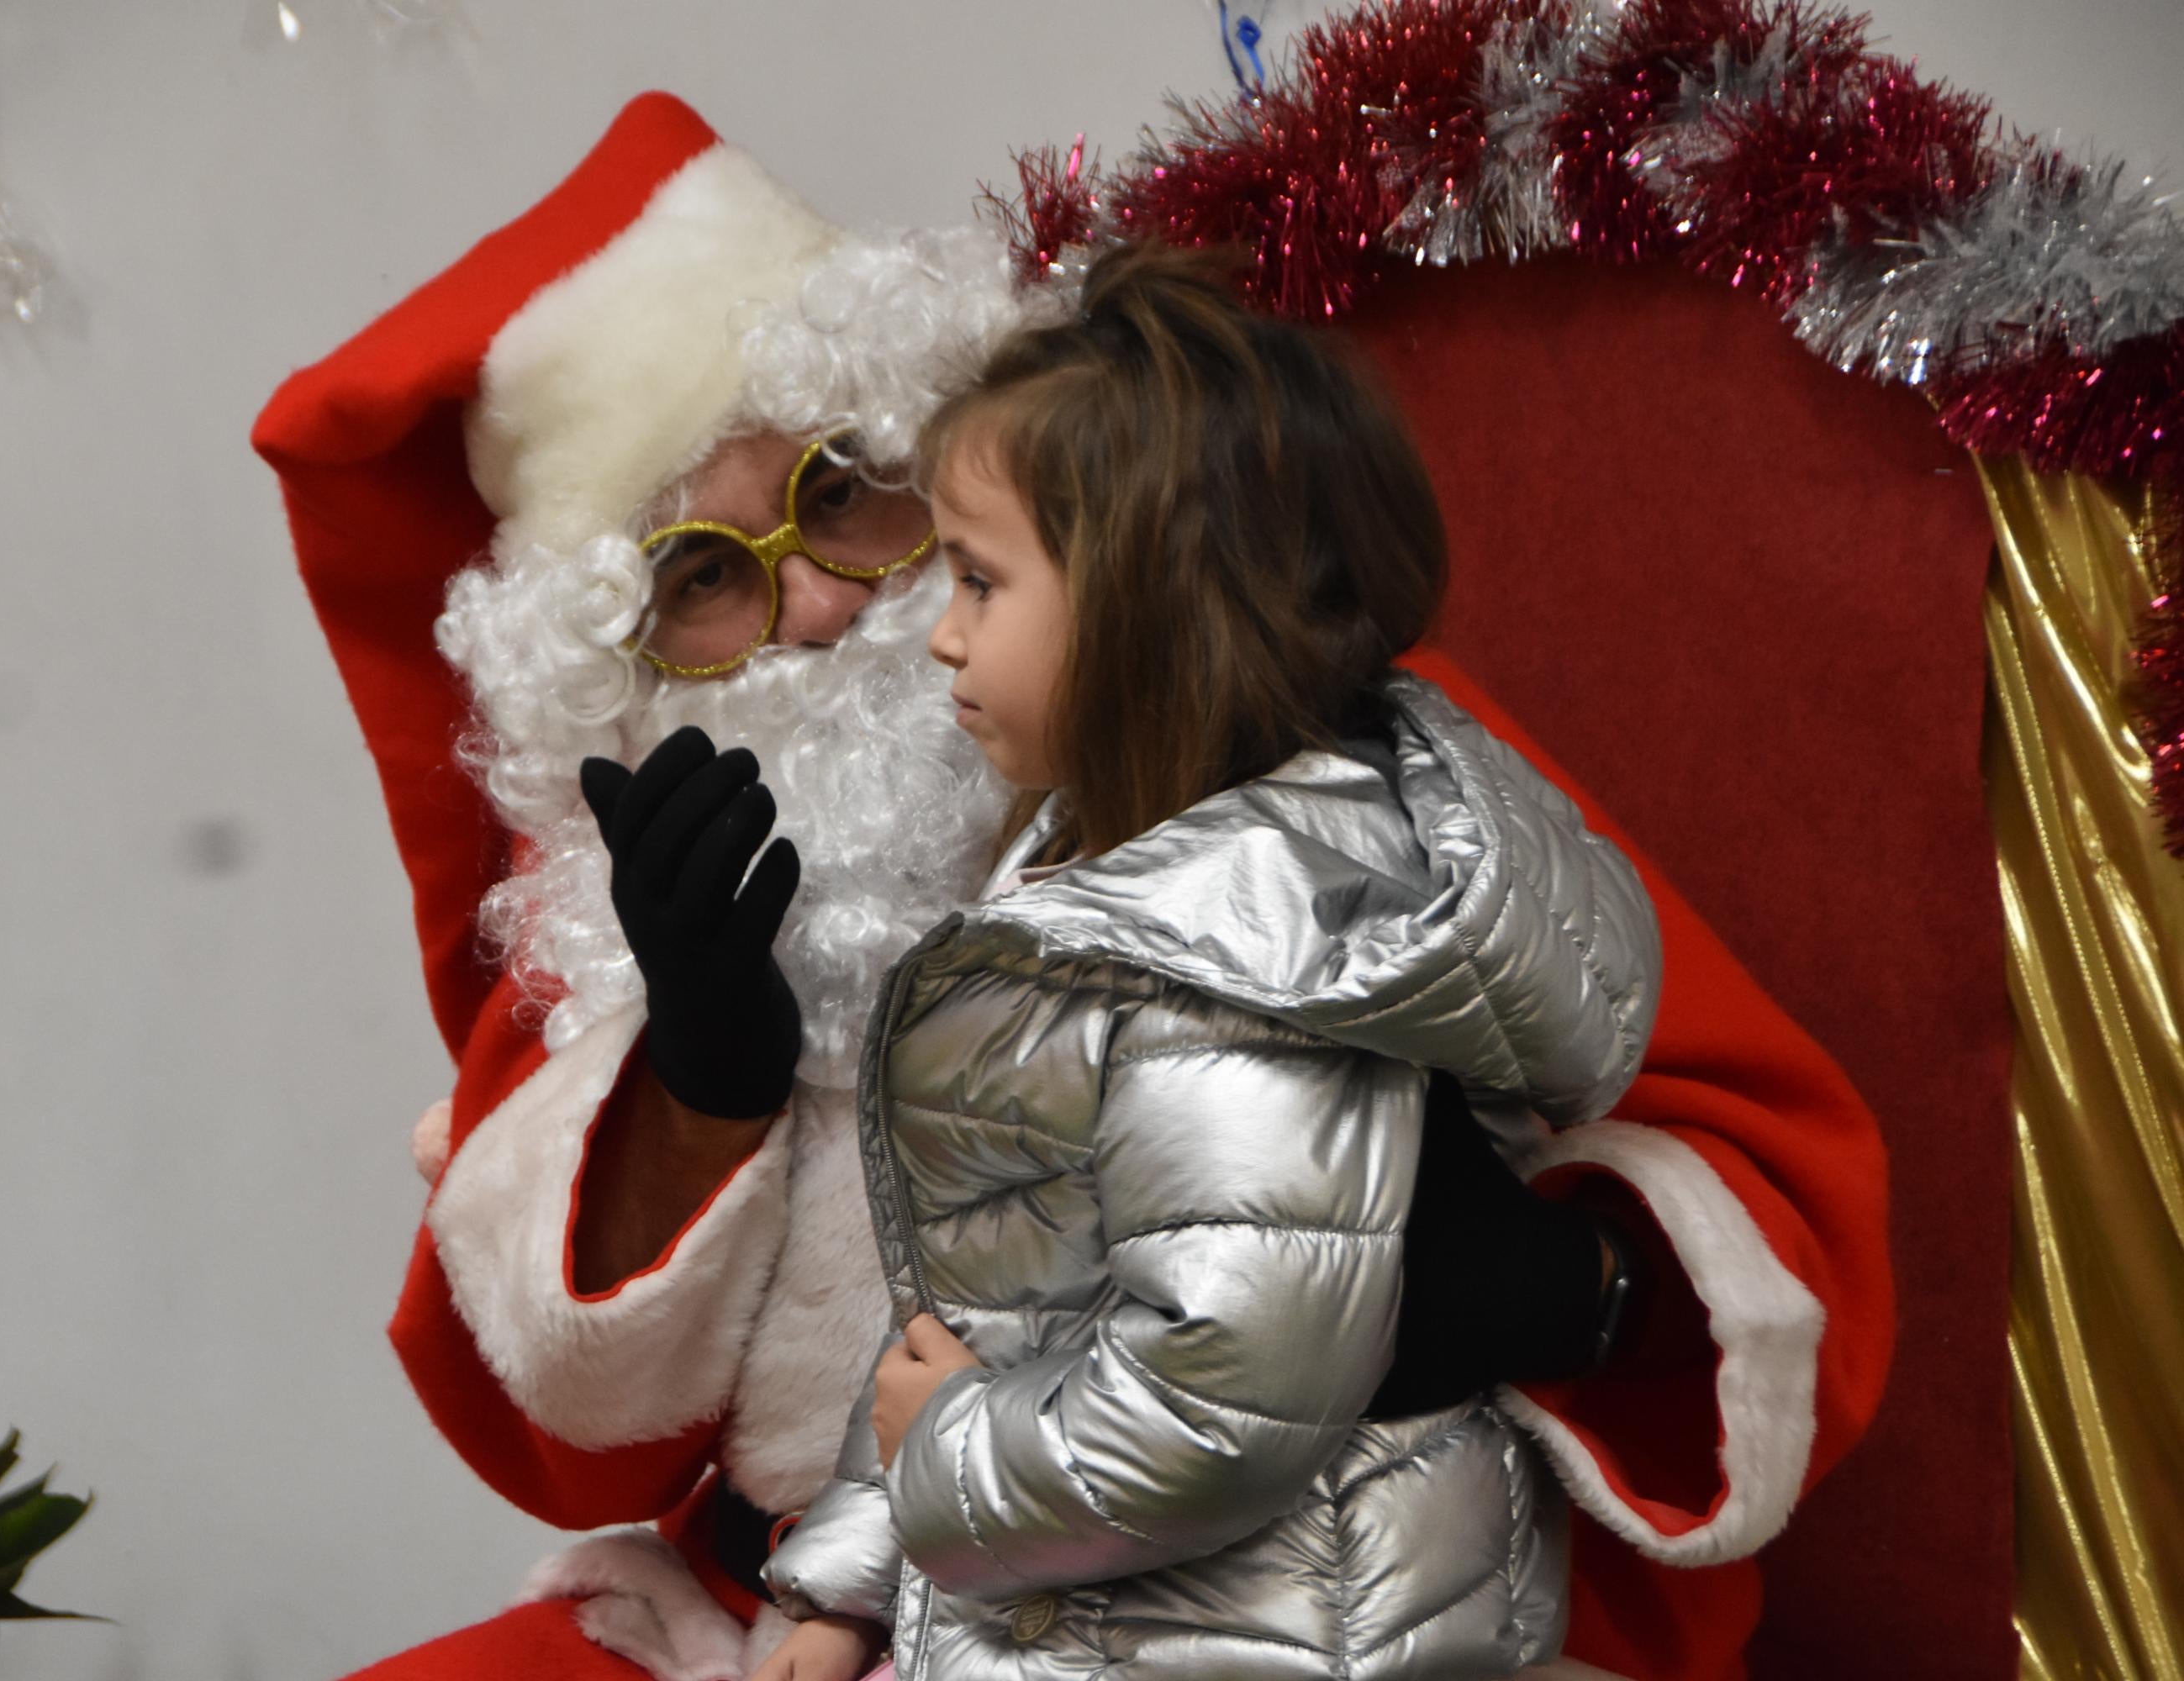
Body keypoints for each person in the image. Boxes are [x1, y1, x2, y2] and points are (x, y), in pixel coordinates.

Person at [252, 93, 1891, 1681]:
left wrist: (1551, 1285)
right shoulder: (626, 922)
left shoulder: (1295, 754)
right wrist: (698, 1088)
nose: (823, 611)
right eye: (703, 579)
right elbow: (591, 1435)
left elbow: (1742, 1162)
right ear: (620, 670)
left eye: (845, 495)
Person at [748, 244, 1655, 1681]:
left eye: (982, 580)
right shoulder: (1093, 881)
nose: (940, 632)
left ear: (1146, 608)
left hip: (1268, 1632)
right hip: (1100, 1604)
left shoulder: (1253, 966)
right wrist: (846, 1584)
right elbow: (996, 1305)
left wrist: (947, 1460)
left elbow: (1217, 1410)